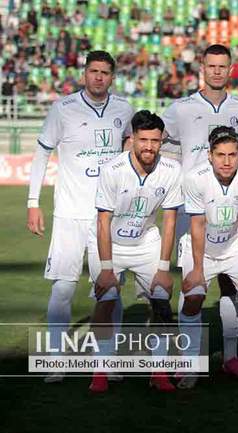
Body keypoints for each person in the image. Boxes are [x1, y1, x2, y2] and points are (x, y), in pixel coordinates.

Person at [26, 51, 134, 383]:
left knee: (110, 290)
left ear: (112, 77)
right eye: (93, 71)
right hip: (70, 214)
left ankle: (108, 360)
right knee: (63, 288)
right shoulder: (63, 108)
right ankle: (56, 360)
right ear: (84, 73)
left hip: (108, 216)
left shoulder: (124, 109)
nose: (98, 77)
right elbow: (42, 153)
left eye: (105, 72)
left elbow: (131, 151)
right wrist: (33, 202)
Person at [161, 44, 238, 378]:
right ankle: (187, 360)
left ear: (231, 69)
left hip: (231, 207)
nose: (217, 71)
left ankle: (231, 357)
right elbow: (156, 139)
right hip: (194, 208)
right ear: (202, 68)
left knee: (232, 286)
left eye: (222, 66)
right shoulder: (181, 108)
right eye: (211, 66)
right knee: (193, 285)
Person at [88, 110, 182, 393]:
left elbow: (169, 221)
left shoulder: (171, 170)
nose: (149, 147)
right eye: (144, 140)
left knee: (162, 301)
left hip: (146, 242)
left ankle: (159, 373)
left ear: (162, 141)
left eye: (155, 140)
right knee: (106, 299)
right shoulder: (113, 169)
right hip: (109, 242)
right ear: (132, 139)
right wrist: (107, 269)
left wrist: (164, 269)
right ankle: (100, 371)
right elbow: (103, 222)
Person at [179, 126, 238, 388]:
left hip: (235, 247)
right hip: (201, 249)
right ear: (210, 155)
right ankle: (190, 366)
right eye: (220, 155)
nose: (226, 161)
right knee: (193, 298)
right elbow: (197, 225)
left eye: (232, 155)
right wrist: (197, 269)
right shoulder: (195, 178)